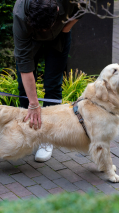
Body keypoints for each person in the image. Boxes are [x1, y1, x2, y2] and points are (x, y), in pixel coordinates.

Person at [13, 0, 80, 162]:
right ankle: (27, 132)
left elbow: (85, 7)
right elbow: (25, 66)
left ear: (57, 9)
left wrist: (66, 28)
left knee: (53, 84)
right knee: (24, 87)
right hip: (31, 38)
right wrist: (34, 104)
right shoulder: (21, 14)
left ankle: (48, 138)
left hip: (60, 33)